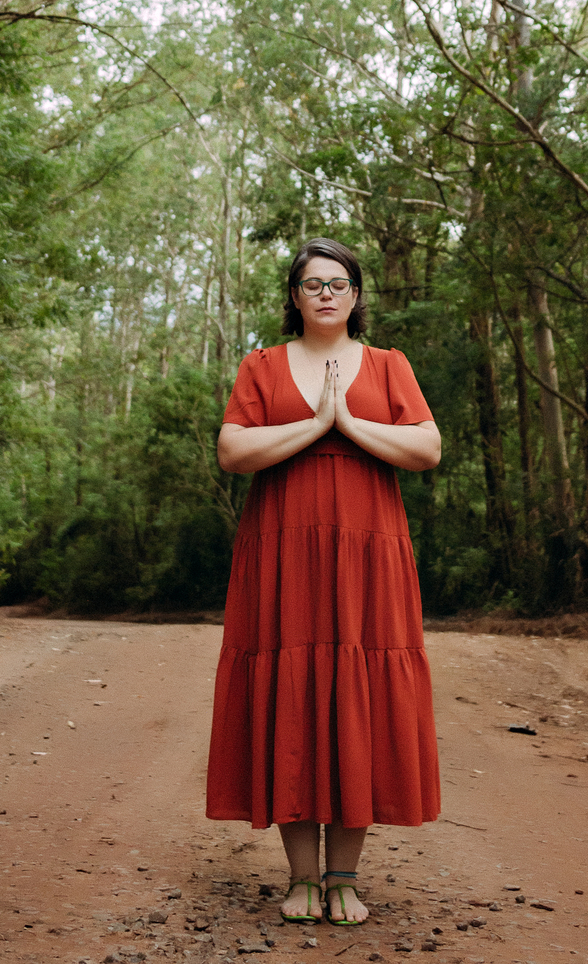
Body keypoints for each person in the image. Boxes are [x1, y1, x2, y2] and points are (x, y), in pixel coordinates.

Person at [205, 238, 442, 927]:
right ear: (295, 296)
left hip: (368, 553)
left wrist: (347, 422)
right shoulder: (261, 365)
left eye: (338, 283)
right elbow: (232, 450)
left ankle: (344, 879)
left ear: (356, 295)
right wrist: (315, 424)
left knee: (357, 692)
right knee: (293, 690)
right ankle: (302, 879)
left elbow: (427, 448)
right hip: (283, 551)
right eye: (313, 284)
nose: (327, 294)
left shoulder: (390, 365)